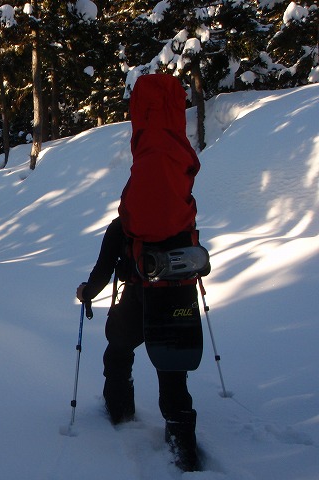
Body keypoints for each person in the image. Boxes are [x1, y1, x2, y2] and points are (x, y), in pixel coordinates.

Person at [76, 74, 203, 472]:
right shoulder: (182, 193)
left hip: (138, 291)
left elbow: (104, 261)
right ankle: (183, 445)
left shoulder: (126, 220)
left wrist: (88, 291)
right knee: (172, 371)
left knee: (118, 350)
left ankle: (119, 411)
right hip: (177, 291)